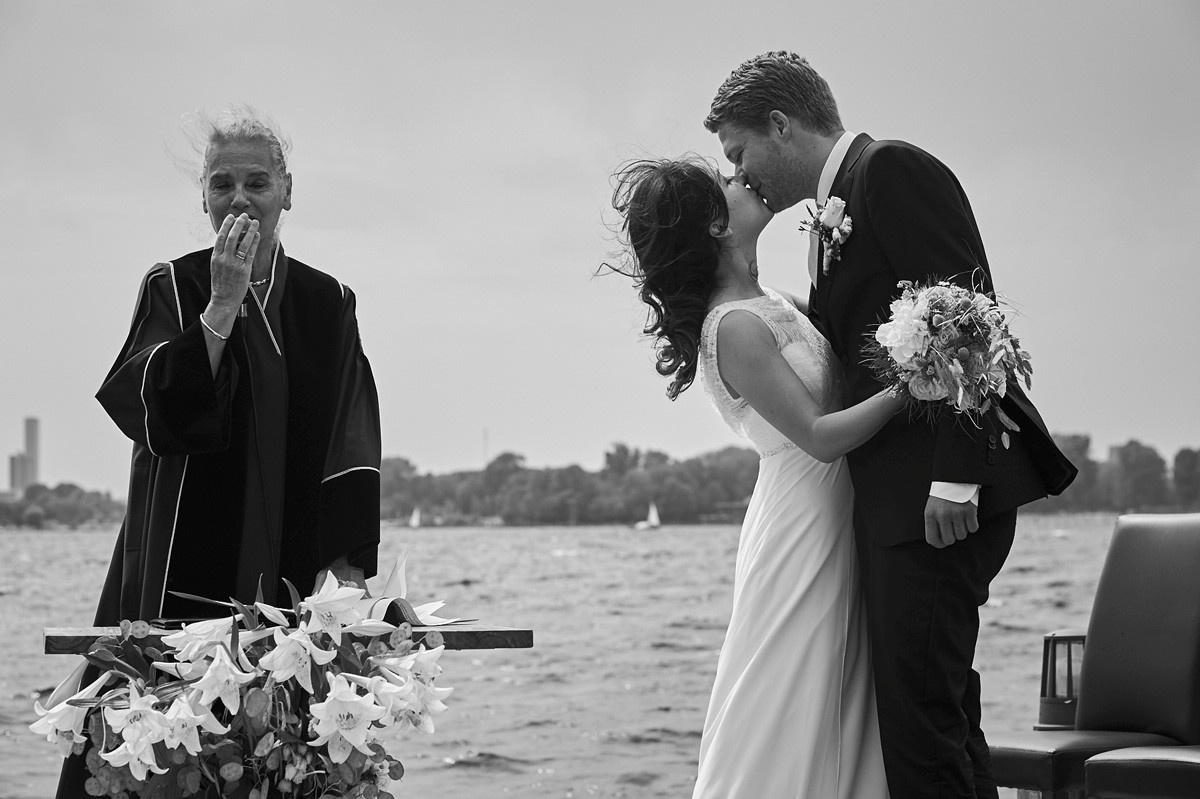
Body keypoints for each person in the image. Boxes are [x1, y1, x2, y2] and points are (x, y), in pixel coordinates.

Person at [705, 52, 1077, 798]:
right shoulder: (832, 211)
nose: (741, 174)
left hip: (938, 500)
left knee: (920, 730)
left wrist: (956, 475)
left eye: (740, 153)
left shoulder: (891, 172)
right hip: (894, 506)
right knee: (931, 716)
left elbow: (969, 316)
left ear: (780, 125)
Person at [55, 107, 382, 797]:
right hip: (180, 570)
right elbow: (147, 410)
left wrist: (348, 583)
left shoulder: (330, 302)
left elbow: (351, 438)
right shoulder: (172, 285)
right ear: (202, 197)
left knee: (289, 764)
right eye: (222, 184)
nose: (240, 199)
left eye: (257, 182)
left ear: (287, 191)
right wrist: (222, 307)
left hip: (293, 583)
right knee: (160, 759)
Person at [610, 156, 905, 797]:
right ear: (715, 224)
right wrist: (914, 384)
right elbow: (822, 438)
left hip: (832, 513)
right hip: (802, 519)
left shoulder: (769, 302)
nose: (746, 181)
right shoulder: (736, 326)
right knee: (790, 690)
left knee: (838, 691)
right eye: (730, 183)